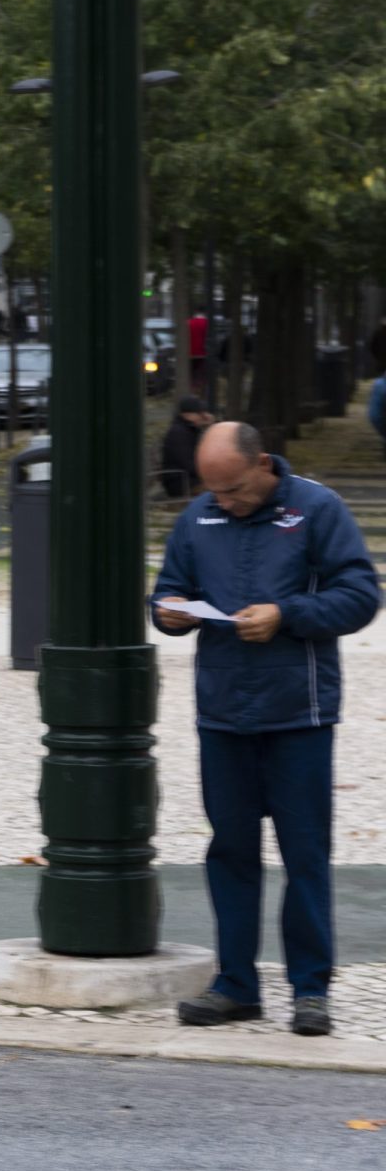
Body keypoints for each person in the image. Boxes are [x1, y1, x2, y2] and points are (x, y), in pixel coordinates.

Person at [151, 423, 380, 1037]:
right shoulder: (198, 519)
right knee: (230, 853)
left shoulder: (317, 507)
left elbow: (361, 595)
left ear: (262, 466)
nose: (222, 502)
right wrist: (169, 613)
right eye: (213, 492)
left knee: (305, 855)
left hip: (298, 715)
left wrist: (289, 615)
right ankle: (236, 987)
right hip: (222, 714)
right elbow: (168, 590)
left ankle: (310, 991)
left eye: (232, 491)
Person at [158, 395, 213, 499]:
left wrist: (208, 426)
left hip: (189, 479)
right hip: (180, 482)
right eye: (199, 413)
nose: (203, 416)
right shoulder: (178, 433)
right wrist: (209, 474)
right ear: (187, 415)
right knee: (221, 488)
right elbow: (188, 463)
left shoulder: (190, 430)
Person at [187, 311, 210, 393]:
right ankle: (201, 388)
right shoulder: (207, 323)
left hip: (190, 352)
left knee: (192, 372)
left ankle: (193, 388)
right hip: (202, 352)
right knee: (202, 372)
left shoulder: (189, 322)